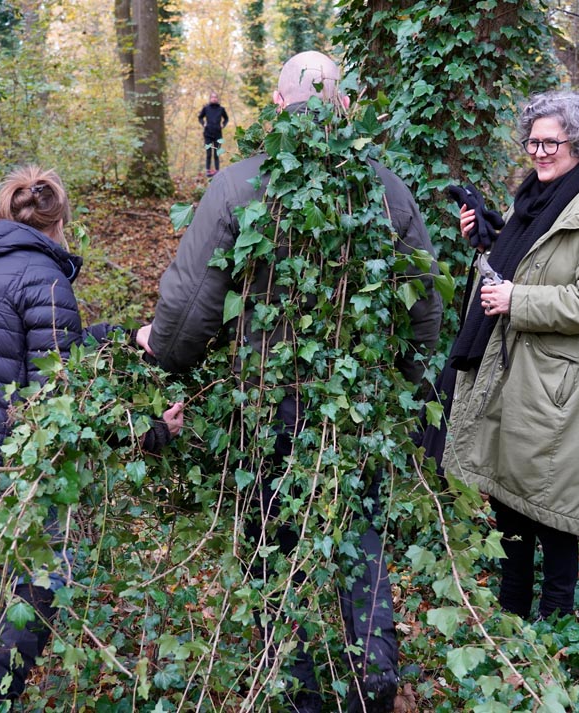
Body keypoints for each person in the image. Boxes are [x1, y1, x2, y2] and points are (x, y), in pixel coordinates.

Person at [145, 52, 442, 712]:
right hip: (355, 412)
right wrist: (410, 390)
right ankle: (373, 673)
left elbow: (191, 307)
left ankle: (303, 685)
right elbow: (424, 305)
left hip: (266, 409)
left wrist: (166, 358)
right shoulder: (384, 187)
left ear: (278, 107)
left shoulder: (241, 185)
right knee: (359, 537)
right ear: (344, 108)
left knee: (275, 545)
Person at [0, 166, 184, 711]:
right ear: (60, 222)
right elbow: (59, 406)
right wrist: (152, 431)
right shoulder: (44, 277)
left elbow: (11, 355)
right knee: (47, 576)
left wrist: (121, 336)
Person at [443, 90, 579, 621]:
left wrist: (519, 300)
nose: (538, 152)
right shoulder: (533, 204)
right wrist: (488, 243)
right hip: (518, 375)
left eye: (550, 143)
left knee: (556, 513)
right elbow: (522, 267)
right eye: (532, 141)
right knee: (511, 498)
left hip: (565, 386)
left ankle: (558, 624)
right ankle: (513, 612)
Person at [198, 91, 229, 177]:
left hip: (218, 134)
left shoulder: (221, 109)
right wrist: (203, 123)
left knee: (216, 153)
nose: (214, 98)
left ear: (217, 99)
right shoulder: (206, 108)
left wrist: (223, 125)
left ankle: (217, 171)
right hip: (208, 133)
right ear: (210, 99)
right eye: (212, 97)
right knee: (208, 153)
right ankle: (208, 170)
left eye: (215, 97)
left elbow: (226, 118)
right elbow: (200, 117)